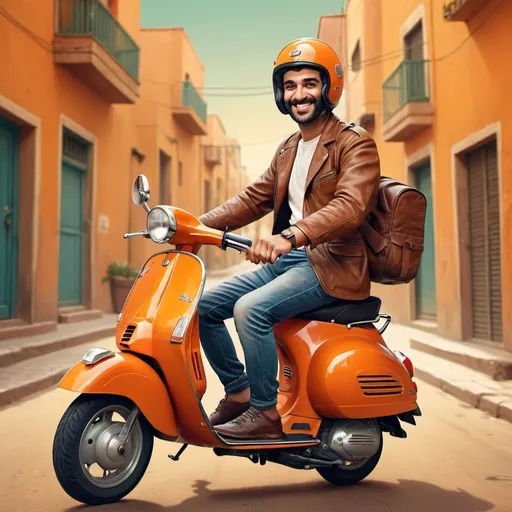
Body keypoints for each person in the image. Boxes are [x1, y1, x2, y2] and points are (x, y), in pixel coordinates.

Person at [198, 37, 381, 440]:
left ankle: (265, 413)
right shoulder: (289, 149)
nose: (299, 94)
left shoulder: (354, 143)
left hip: (331, 265)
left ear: (327, 88)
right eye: (291, 85)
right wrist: (194, 225)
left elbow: (351, 206)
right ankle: (240, 391)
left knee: (250, 310)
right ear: (283, 94)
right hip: (288, 264)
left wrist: (291, 236)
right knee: (203, 307)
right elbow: (253, 199)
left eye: (309, 84)